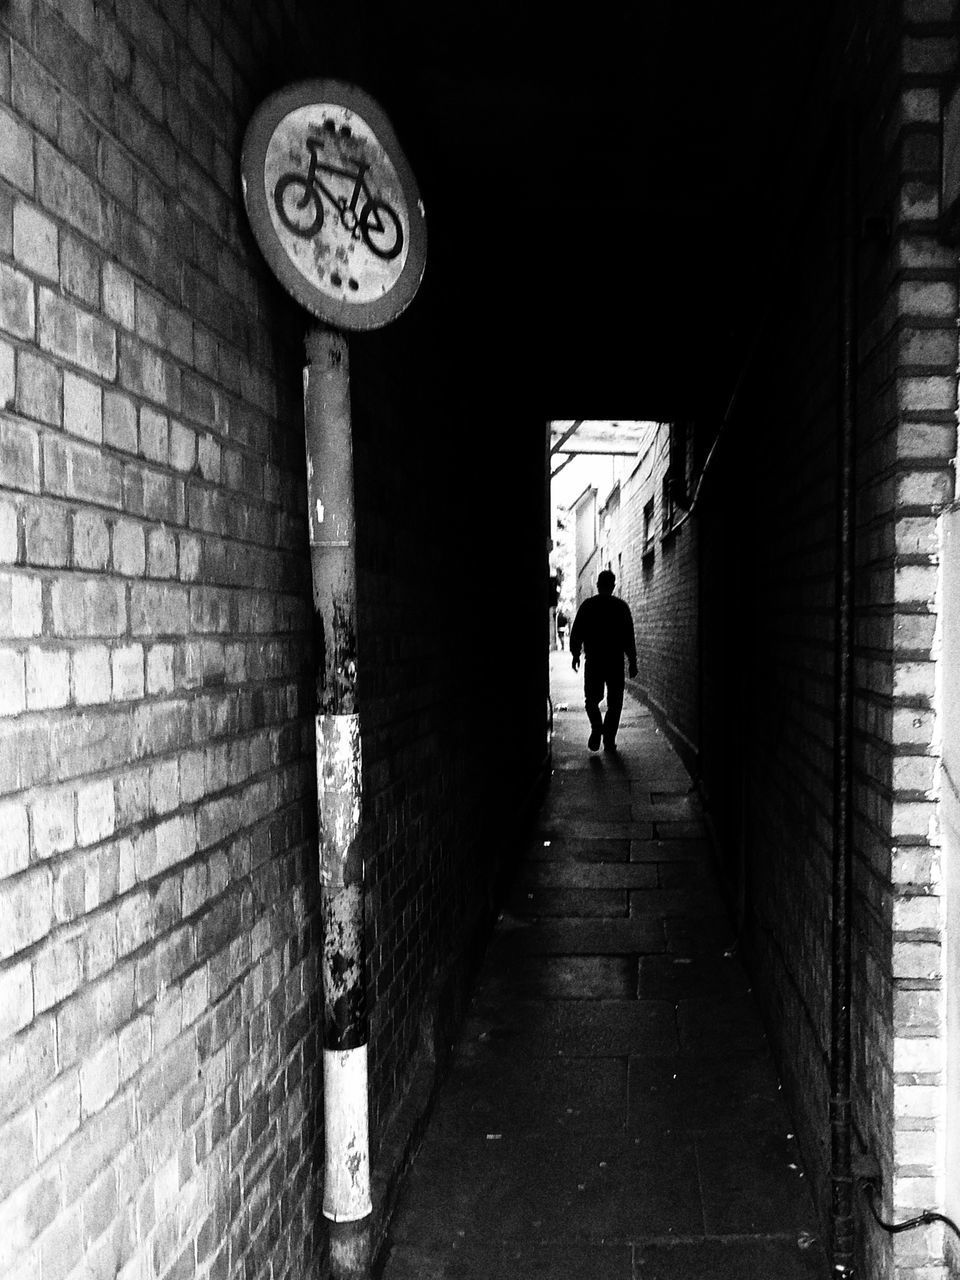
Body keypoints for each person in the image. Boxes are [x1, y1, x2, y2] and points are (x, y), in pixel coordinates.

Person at [569, 570, 637, 752]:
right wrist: (632, 661)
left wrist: (575, 654)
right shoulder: (621, 607)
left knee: (591, 699)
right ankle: (608, 738)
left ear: (598, 585)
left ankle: (596, 726)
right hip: (615, 661)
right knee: (615, 702)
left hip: (594, 661)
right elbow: (628, 636)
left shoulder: (588, 606)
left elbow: (577, 632)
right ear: (613, 586)